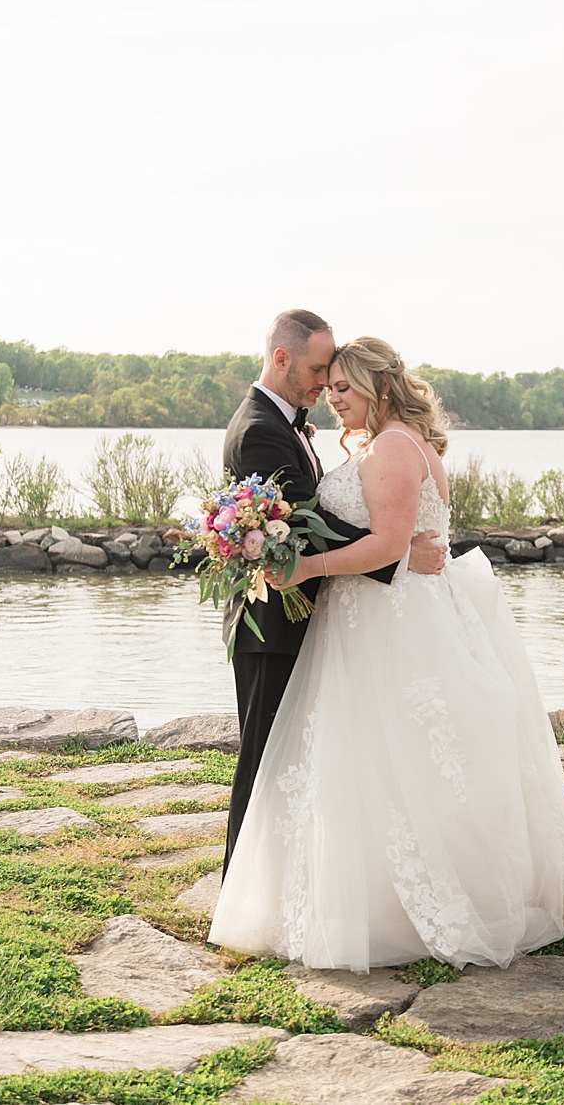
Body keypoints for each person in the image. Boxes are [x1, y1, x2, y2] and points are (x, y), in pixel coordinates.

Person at [209, 336, 564, 972]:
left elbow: (385, 544)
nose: (333, 401)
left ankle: (408, 902)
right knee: (380, 757)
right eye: (327, 389)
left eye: (345, 390)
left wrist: (306, 567)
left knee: (395, 755)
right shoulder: (398, 443)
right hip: (384, 613)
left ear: (379, 389)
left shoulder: (392, 447)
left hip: (388, 621)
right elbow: (401, 537)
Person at [219, 310, 448, 871]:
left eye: (340, 381)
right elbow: (301, 522)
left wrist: (392, 548)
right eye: (321, 371)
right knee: (264, 762)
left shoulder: (297, 425)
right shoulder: (260, 431)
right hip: (272, 622)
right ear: (282, 359)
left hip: (315, 616)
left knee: (300, 759)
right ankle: (242, 884)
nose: (325, 386)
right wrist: (396, 553)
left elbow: (313, 517)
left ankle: (293, 876)